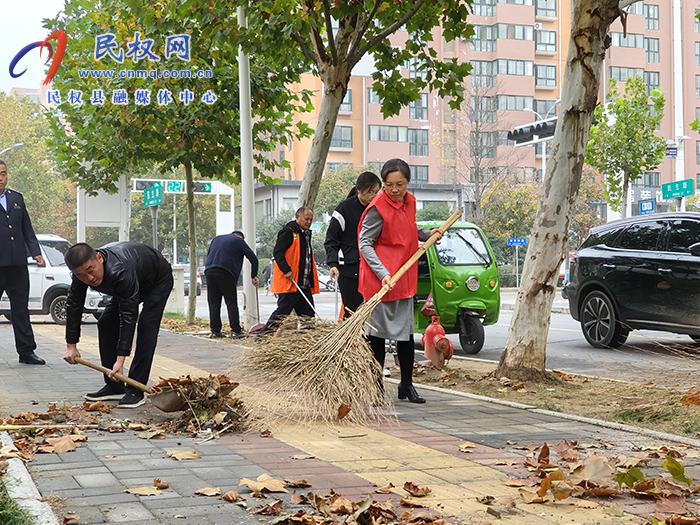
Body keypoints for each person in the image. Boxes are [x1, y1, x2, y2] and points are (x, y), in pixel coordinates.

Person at [359, 159, 442, 404]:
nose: (395, 190)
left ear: (407, 182)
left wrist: (429, 235)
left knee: (406, 335)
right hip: (382, 281)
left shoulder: (411, 202)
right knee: (377, 337)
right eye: (389, 185)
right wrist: (382, 273)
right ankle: (374, 388)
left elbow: (410, 230)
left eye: (400, 184)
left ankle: (407, 385)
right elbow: (365, 243)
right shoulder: (377, 208)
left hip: (404, 278)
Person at [62, 242, 174, 408]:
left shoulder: (119, 271)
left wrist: (120, 360)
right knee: (106, 323)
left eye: (91, 271)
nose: (89, 278)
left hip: (156, 281)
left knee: (146, 328)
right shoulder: (80, 275)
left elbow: (128, 316)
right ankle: (114, 385)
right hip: (130, 282)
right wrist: (71, 345)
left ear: (99, 258)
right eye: (81, 275)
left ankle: (135, 389)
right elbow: (74, 304)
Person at [0, 161, 46, 365]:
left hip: (18, 265)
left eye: (3, 174)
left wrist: (36, 253)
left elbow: (27, 229)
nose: (0, 178)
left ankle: (26, 352)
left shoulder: (16, 198)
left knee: (20, 309)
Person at [324, 171, 381, 318]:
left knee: (371, 312)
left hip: (371, 266)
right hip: (348, 268)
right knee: (352, 311)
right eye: (370, 192)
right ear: (359, 190)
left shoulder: (378, 209)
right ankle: (351, 340)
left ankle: (369, 340)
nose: (373, 196)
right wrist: (333, 264)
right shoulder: (344, 209)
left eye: (376, 192)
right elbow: (331, 240)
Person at [260, 207, 319, 332]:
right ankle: (263, 337)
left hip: (303, 283)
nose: (308, 222)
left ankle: (307, 342)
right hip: (291, 283)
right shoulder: (288, 232)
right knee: (282, 313)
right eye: (306, 219)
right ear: (297, 217)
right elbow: (278, 253)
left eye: (311, 220)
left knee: (308, 316)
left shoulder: (306, 234)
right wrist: (286, 270)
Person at [205, 230, 259, 338]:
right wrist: (253, 276)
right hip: (226, 272)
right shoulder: (239, 241)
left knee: (214, 303)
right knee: (231, 302)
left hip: (209, 271)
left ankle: (215, 331)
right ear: (241, 237)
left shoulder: (216, 239)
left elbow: (209, 254)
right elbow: (253, 258)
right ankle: (236, 331)